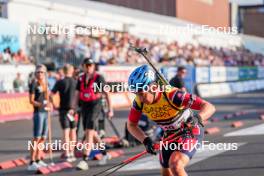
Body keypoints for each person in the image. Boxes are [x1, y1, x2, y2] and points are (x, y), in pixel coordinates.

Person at [127, 65, 215, 176]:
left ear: (153, 87)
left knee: (176, 165)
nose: (140, 98)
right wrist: (145, 140)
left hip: (189, 131)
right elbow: (131, 125)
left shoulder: (173, 95)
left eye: (141, 94)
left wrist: (197, 118)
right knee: (166, 171)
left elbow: (209, 106)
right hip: (170, 135)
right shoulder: (138, 102)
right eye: (136, 94)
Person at [69, 58, 114, 170]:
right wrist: (73, 108)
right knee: (92, 133)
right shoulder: (81, 78)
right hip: (85, 106)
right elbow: (76, 94)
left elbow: (107, 93)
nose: (89, 67)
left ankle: (85, 159)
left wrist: (110, 109)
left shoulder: (99, 78)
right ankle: (104, 153)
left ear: (93, 66)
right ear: (83, 66)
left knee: (89, 132)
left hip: (95, 105)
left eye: (91, 65)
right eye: (87, 65)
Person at [27, 64, 52, 171]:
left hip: (46, 113)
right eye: (38, 72)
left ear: (45, 73)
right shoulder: (34, 83)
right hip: (38, 113)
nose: (40, 74)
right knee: (36, 137)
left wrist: (49, 104)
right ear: (35, 73)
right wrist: (42, 105)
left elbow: (47, 97)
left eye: (42, 72)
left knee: (43, 138)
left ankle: (38, 158)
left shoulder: (46, 83)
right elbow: (31, 101)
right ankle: (31, 161)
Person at [51, 64, 77, 162]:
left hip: (63, 110)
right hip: (73, 110)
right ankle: (72, 152)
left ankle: (67, 153)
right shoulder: (76, 82)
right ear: (72, 71)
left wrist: (54, 105)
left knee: (66, 132)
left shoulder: (60, 82)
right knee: (73, 131)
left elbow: (51, 95)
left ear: (63, 71)